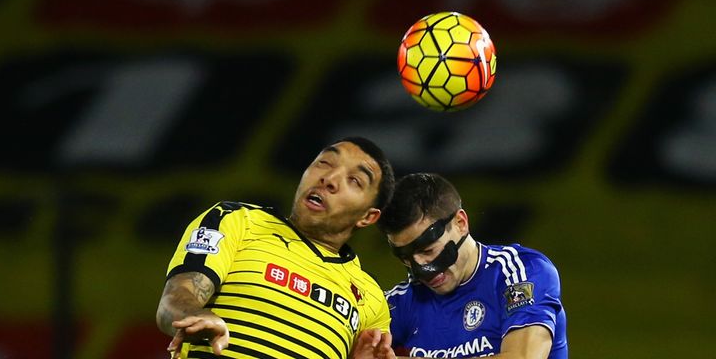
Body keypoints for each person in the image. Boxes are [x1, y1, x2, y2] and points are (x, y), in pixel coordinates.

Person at [156, 137, 398, 359]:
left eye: (354, 180)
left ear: (368, 217)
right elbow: (175, 299)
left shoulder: (371, 298)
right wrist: (192, 315)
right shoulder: (237, 221)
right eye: (324, 163)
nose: (329, 179)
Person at [378, 173, 567, 358]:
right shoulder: (399, 304)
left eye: (428, 251)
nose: (421, 269)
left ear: (460, 223)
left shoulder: (519, 271)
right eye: (406, 258)